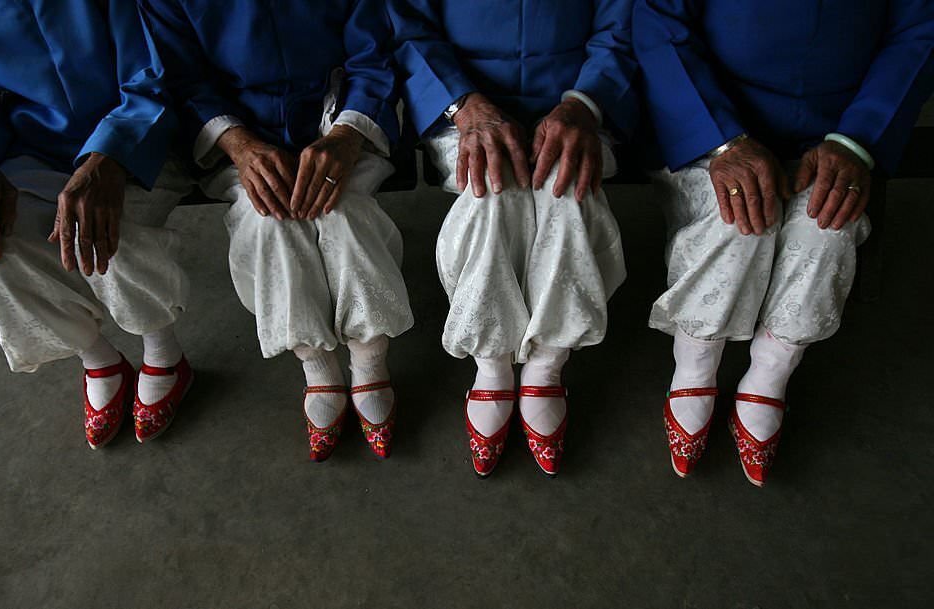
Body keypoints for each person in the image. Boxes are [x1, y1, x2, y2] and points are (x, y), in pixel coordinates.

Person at [633, 0, 934, 485]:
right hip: (713, 123)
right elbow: (658, 22)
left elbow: (921, 29)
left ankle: (771, 372)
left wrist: (857, 139)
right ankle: (695, 364)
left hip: (838, 123)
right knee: (736, 222)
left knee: (826, 227)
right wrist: (723, 140)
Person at [0, 0, 194, 449]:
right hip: (29, 143)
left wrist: (111, 154)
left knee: (107, 228)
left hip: (140, 131)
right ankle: (98, 359)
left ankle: (164, 352)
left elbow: (156, 65)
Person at [138, 0, 414, 461]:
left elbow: (374, 52)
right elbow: (182, 77)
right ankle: (319, 367)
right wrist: (238, 144)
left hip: (341, 120)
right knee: (268, 220)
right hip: (238, 132)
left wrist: (345, 136)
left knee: (343, 213)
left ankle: (369, 359)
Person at [389, 0, 637, 476]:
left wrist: (583, 103)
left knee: (567, 196)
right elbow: (407, 24)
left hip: (580, 102)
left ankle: (547, 363)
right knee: (490, 194)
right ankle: (492, 360)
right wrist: (461, 103)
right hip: (461, 103)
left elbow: (620, 22)